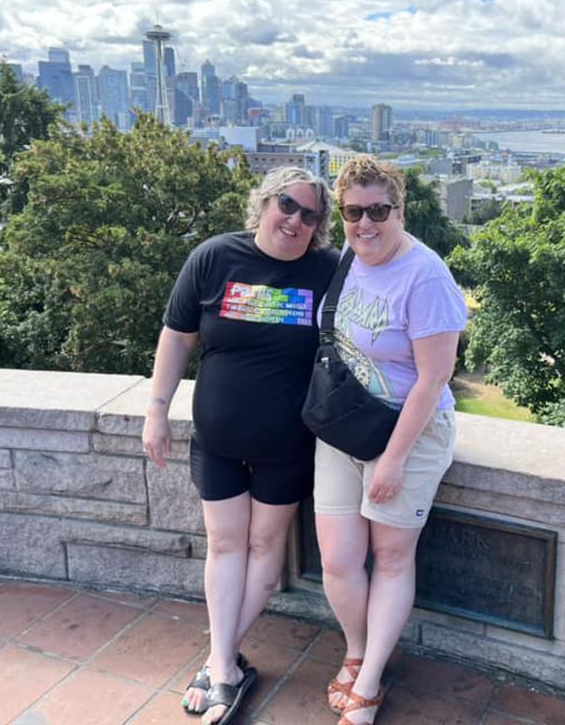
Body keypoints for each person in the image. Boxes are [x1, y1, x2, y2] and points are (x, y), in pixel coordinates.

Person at [142, 166, 338, 725]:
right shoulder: (214, 257)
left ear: (318, 226)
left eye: (310, 214)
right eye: (287, 204)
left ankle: (220, 664)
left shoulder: (327, 270)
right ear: (264, 203)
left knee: (263, 549)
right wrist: (156, 411)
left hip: (288, 444)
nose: (296, 219)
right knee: (225, 546)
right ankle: (225, 663)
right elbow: (177, 337)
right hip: (218, 439)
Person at [313, 156, 467, 725]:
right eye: (355, 212)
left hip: (408, 432)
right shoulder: (350, 258)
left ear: (399, 210)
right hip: (345, 424)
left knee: (391, 556)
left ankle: (371, 678)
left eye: (379, 210)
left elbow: (434, 377)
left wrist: (393, 460)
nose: (366, 223)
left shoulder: (425, 275)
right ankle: (356, 648)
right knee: (337, 557)